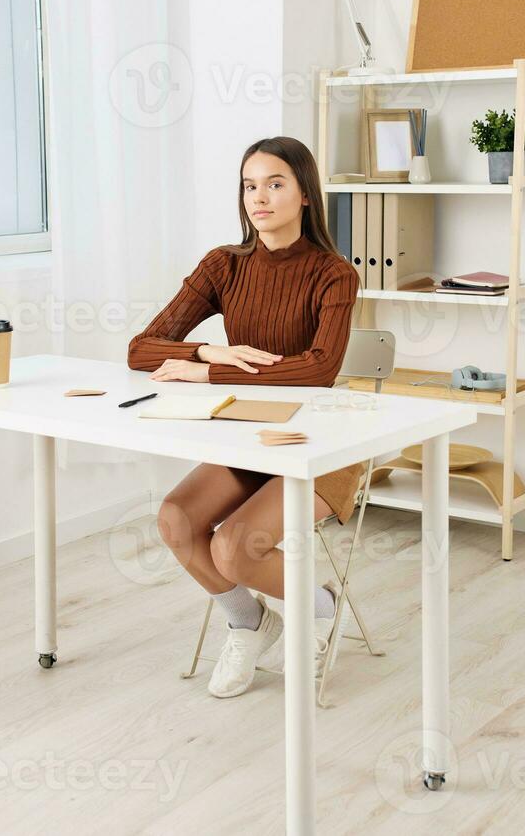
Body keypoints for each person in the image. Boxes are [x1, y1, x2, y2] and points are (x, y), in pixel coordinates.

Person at [127, 136, 366, 698]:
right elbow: (142, 348)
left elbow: (317, 371)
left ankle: (322, 606)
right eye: (250, 184)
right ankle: (250, 623)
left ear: (305, 194)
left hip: (320, 445)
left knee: (233, 547)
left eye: (275, 183)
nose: (259, 197)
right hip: (248, 439)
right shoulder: (224, 265)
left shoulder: (334, 273)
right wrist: (208, 352)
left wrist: (209, 376)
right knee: (176, 522)